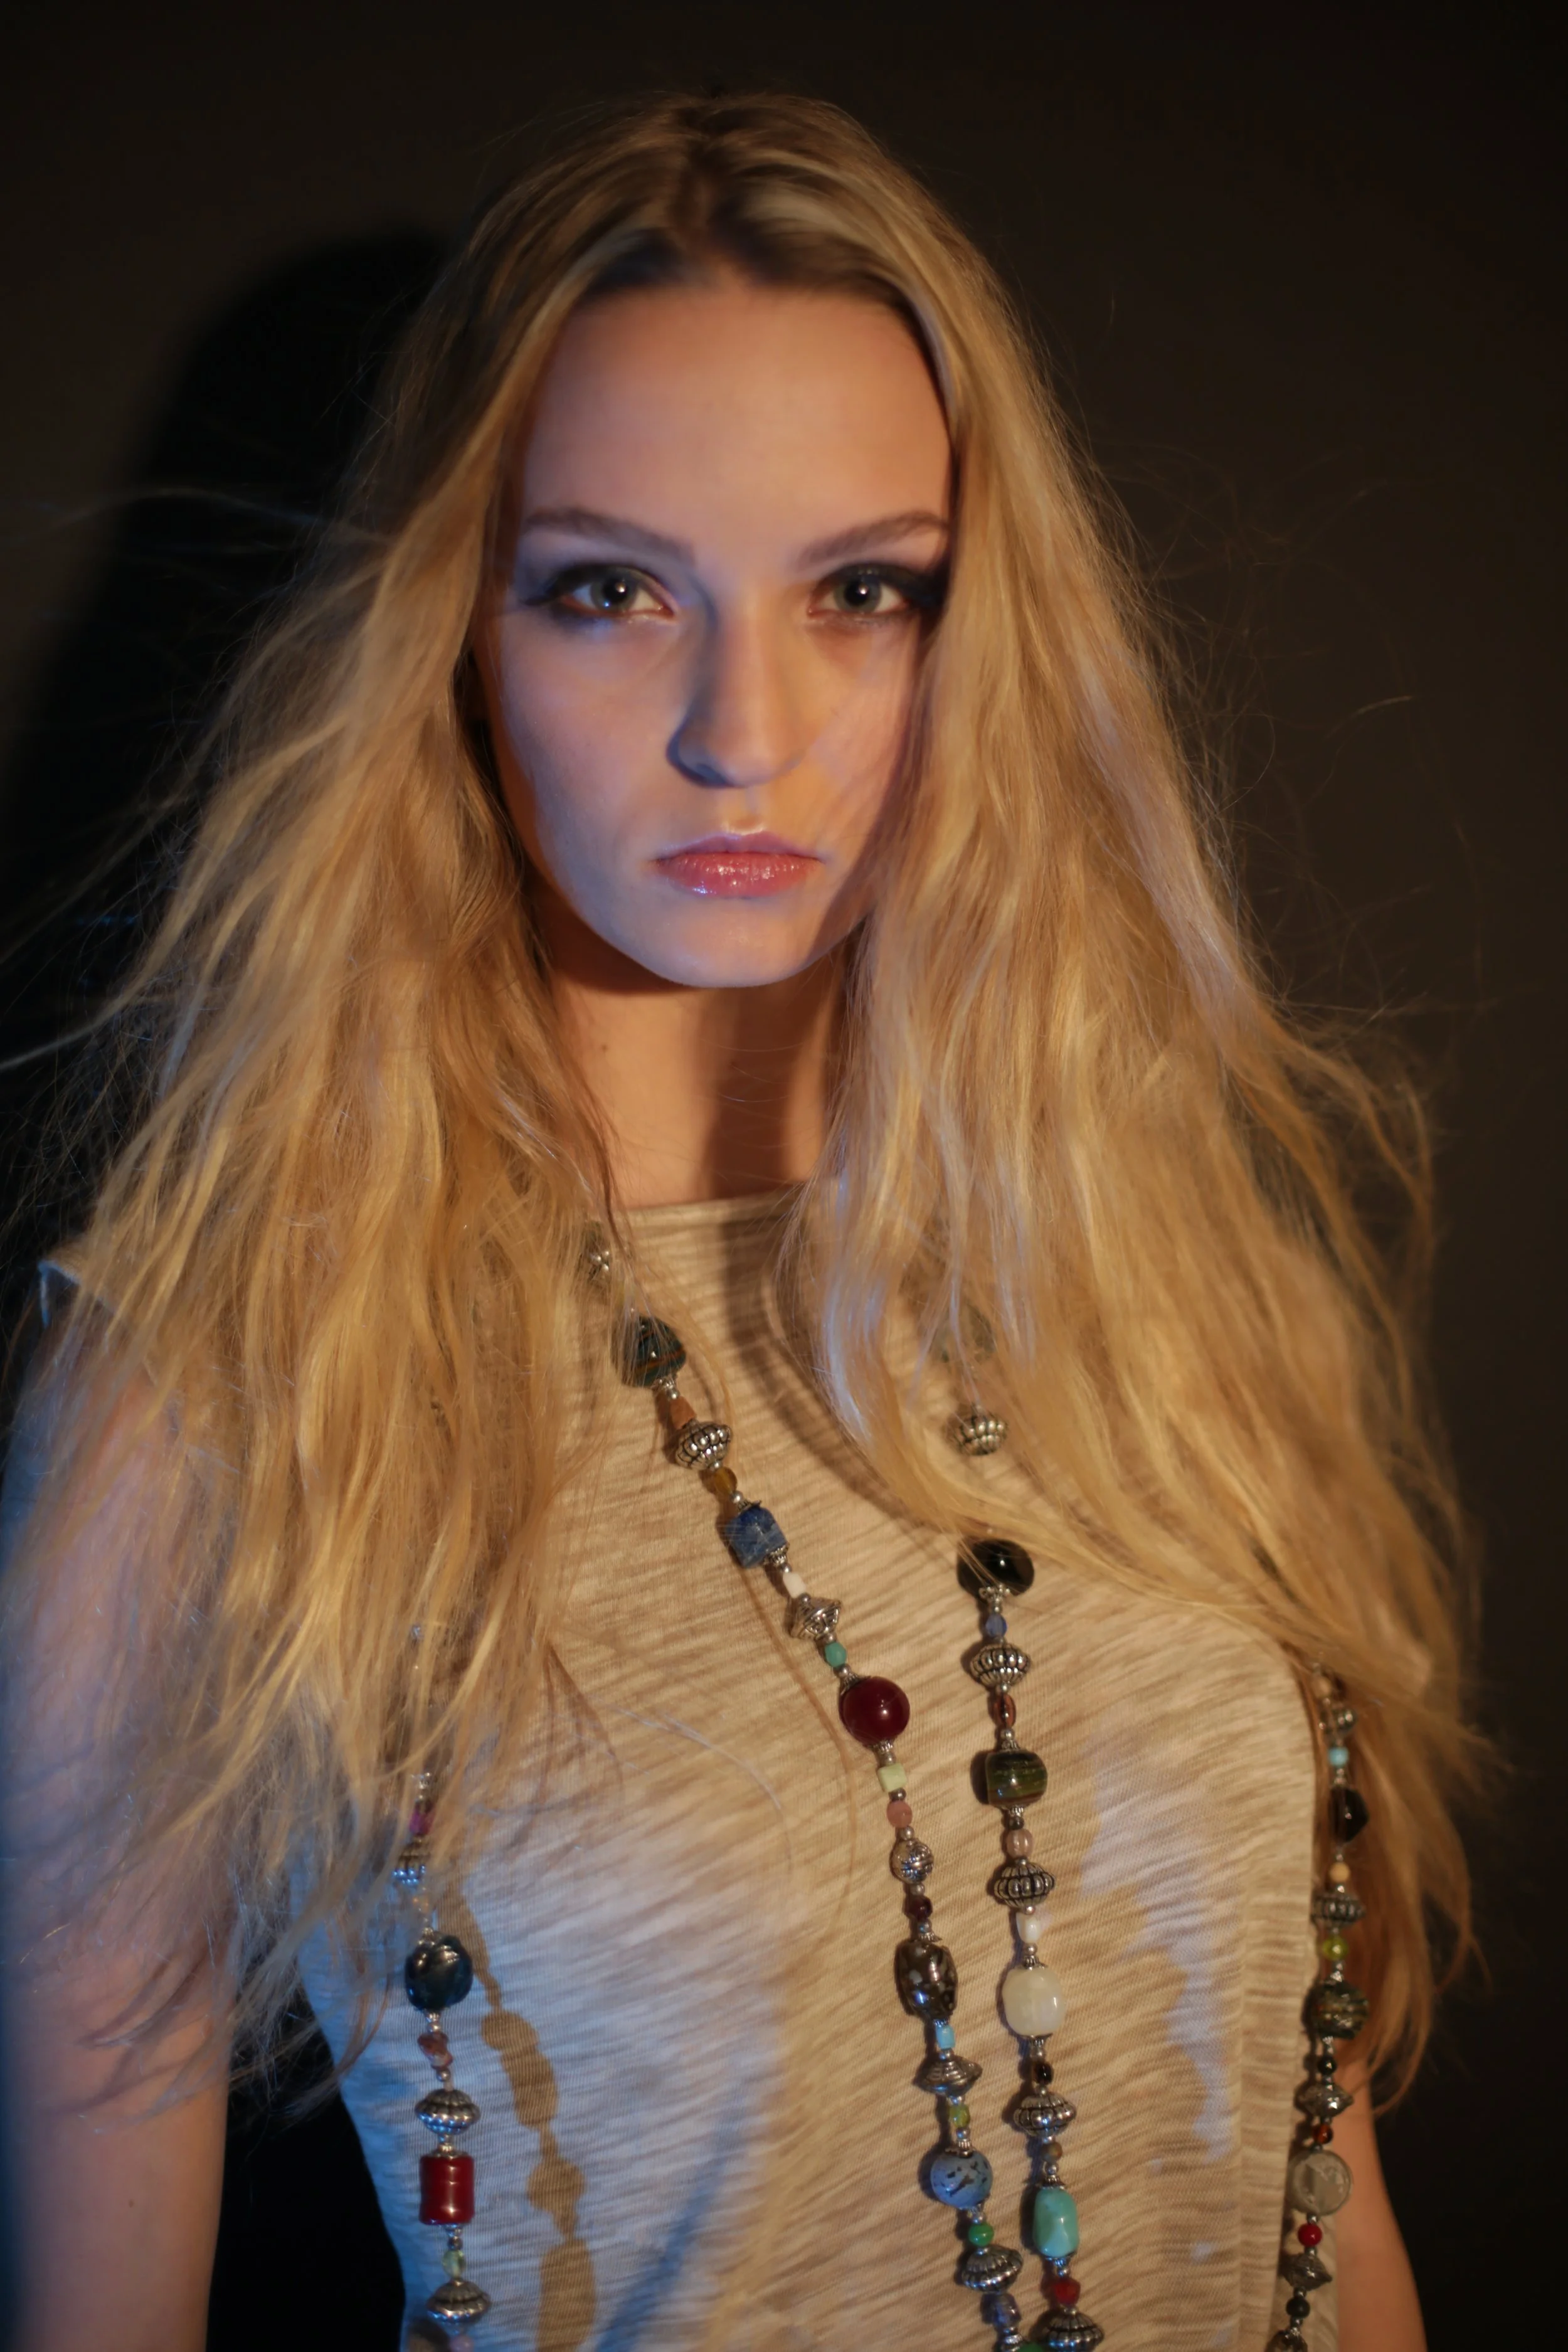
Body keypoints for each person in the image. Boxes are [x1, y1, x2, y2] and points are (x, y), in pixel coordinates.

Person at [0, 93, 1471, 2352]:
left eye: (861, 590)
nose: (740, 732)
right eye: (610, 589)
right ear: (453, 635)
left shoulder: (1134, 1268)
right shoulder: (223, 1388)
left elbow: (1305, 2155)